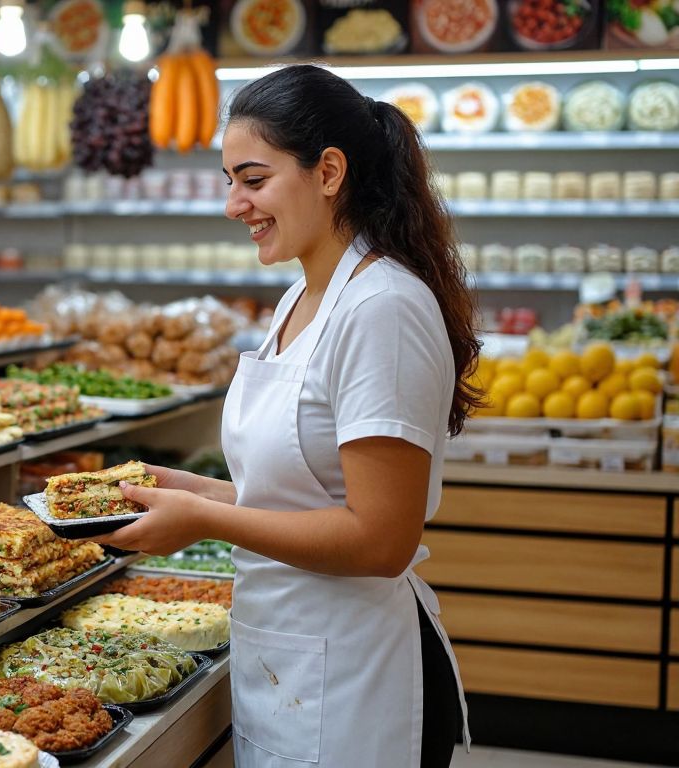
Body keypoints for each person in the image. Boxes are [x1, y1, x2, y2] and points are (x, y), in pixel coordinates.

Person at [93, 65, 474, 767]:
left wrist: (206, 520)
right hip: (288, 654)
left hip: (358, 677)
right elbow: (307, 495)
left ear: (329, 171)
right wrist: (192, 492)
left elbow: (381, 537)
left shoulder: (381, 307)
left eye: (253, 178)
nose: (234, 204)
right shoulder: (300, 301)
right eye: (229, 180)